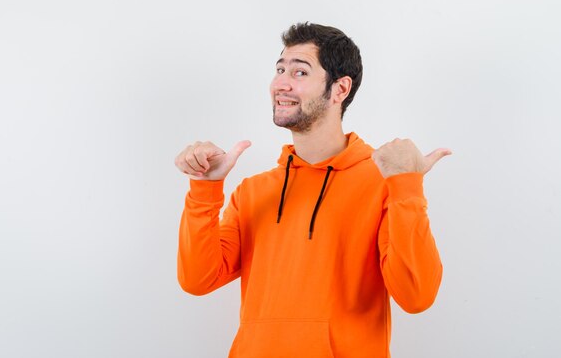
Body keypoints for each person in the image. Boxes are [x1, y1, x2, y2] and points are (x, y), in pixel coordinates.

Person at [174, 22, 451, 358]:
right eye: (280, 69)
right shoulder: (253, 191)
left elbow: (417, 296)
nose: (281, 83)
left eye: (300, 72)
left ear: (339, 89)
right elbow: (198, 279)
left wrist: (406, 187)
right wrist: (205, 189)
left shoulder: (383, 182)